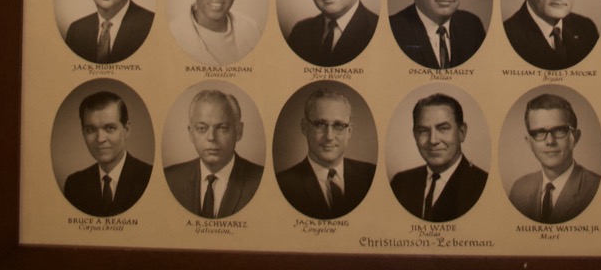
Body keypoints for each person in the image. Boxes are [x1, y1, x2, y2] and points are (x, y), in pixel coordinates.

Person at [276, 86, 375, 219]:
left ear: (349, 131)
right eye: (320, 124)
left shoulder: (371, 175)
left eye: (338, 125)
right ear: (304, 127)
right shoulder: (283, 185)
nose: (329, 136)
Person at [164, 89, 263, 218]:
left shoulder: (260, 181)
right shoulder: (171, 178)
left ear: (238, 131)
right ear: (191, 133)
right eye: (202, 128)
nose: (211, 137)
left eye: (222, 128)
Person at [390, 94, 488, 221]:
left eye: (443, 129)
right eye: (423, 131)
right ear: (415, 135)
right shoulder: (400, 183)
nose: (433, 140)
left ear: (462, 132)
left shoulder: (482, 185)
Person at [508, 93, 601, 223]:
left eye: (559, 130)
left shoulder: (596, 189)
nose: (550, 141)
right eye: (539, 132)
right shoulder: (519, 190)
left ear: (575, 137)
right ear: (529, 142)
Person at [63, 91, 152, 217]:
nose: (100, 139)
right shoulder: (75, 185)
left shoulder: (149, 178)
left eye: (109, 128)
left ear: (126, 130)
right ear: (83, 132)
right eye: (91, 129)